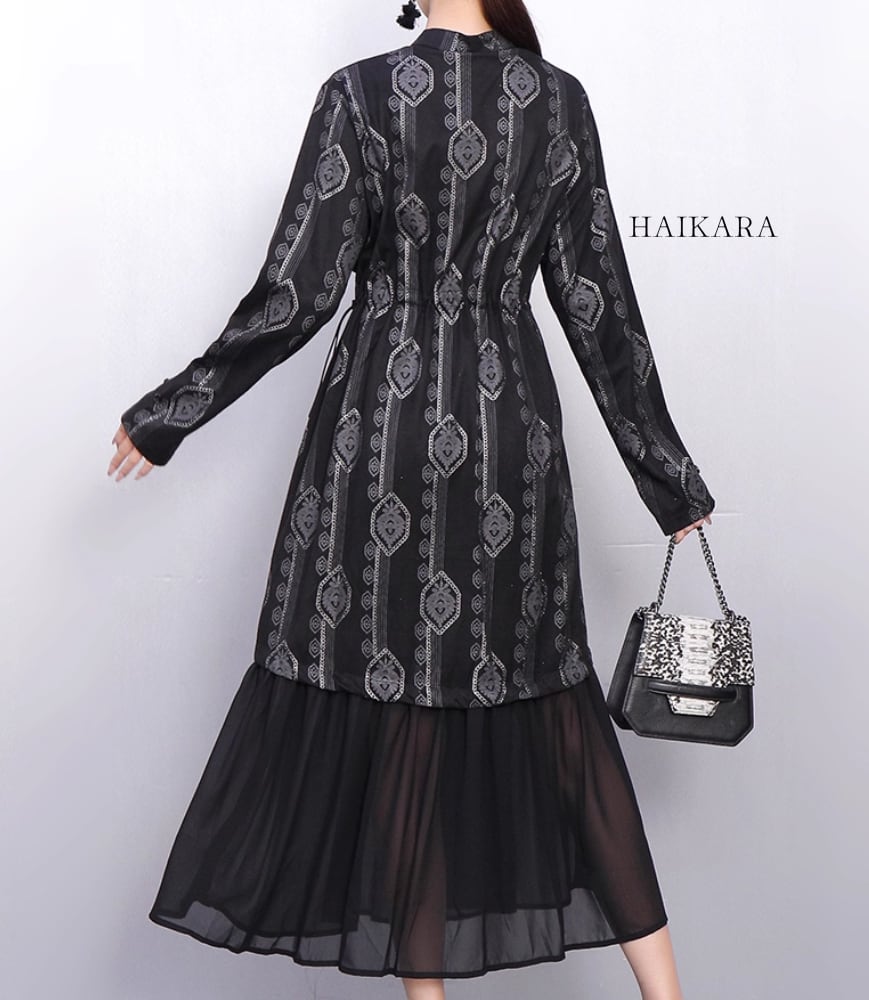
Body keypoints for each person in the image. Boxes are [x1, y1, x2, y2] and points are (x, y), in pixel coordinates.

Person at [108, 2, 714, 998]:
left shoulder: (359, 96)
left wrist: (171, 412)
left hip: (378, 439)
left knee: (397, 704)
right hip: (510, 438)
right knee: (552, 707)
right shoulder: (557, 104)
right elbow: (597, 302)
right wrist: (667, 476)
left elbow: (295, 297)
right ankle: (667, 995)